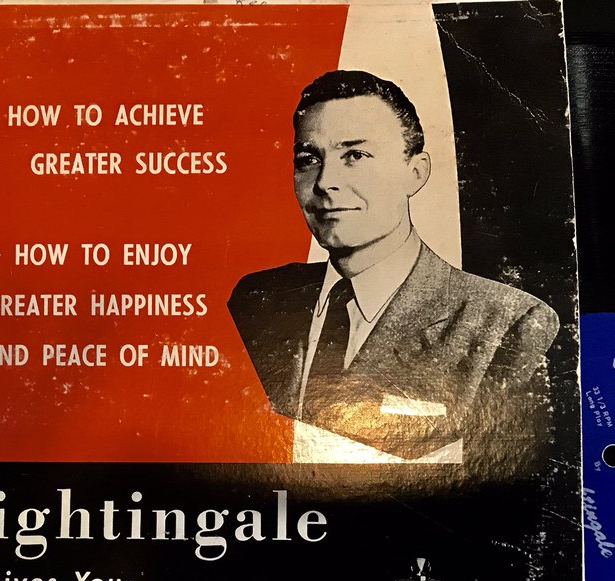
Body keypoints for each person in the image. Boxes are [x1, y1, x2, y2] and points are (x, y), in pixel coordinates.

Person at [227, 70, 558, 461]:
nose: (325, 182)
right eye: (309, 160)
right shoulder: (256, 300)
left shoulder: (510, 326)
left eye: (355, 155)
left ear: (415, 173)